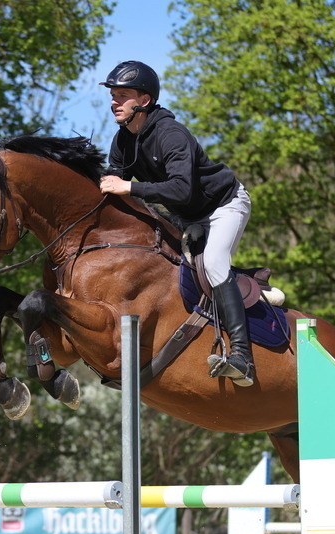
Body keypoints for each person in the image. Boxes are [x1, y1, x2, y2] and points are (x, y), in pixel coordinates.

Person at [98, 60, 255, 387]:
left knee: (212, 262)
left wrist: (130, 186)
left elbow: (181, 188)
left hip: (223, 205)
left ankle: (242, 356)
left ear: (143, 101)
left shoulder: (171, 134)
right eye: (112, 95)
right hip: (186, 215)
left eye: (122, 95)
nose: (114, 102)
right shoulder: (123, 140)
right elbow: (113, 183)